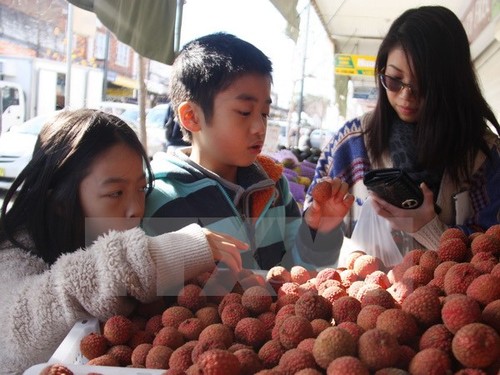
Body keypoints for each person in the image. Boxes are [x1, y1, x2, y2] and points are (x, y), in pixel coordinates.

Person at [0, 108, 247, 372]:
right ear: (59, 200)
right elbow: (22, 326)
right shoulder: (12, 254)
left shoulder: (110, 231)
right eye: (116, 192)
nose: (135, 209)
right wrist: (162, 254)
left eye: (141, 189)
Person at [144, 32, 354, 270]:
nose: (259, 127)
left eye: (265, 114)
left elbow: (298, 275)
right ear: (192, 117)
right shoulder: (159, 198)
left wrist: (321, 232)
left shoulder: (274, 186)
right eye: (244, 112)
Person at [305, 5, 500, 254]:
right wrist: (319, 225)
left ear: (452, 86)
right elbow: (307, 238)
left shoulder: (484, 156)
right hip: (361, 291)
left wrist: (430, 229)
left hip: (453, 293)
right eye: (394, 80)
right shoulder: (352, 142)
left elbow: (492, 257)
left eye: (424, 86)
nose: (406, 97)